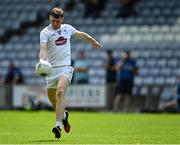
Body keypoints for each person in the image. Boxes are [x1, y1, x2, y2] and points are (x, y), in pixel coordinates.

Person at [35, 7, 102, 139]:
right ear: (50, 18)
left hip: (65, 68)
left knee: (60, 91)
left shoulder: (67, 28)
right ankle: (64, 116)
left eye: (58, 21)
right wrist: (41, 62)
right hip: (50, 70)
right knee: (54, 101)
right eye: (53, 21)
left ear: (62, 19)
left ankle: (58, 126)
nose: (55, 24)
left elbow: (80, 34)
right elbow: (43, 49)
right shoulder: (45, 32)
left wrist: (92, 40)